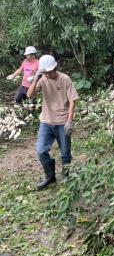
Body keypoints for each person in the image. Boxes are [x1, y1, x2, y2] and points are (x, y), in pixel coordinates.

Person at [27, 55, 79, 190]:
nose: (49, 74)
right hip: (46, 121)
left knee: (65, 152)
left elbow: (73, 100)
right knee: (41, 150)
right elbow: (29, 95)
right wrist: (36, 79)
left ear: (56, 67)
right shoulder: (42, 79)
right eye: (46, 72)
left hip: (62, 122)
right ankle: (50, 177)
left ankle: (66, 177)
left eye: (51, 72)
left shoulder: (65, 79)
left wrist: (69, 121)